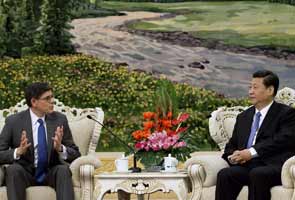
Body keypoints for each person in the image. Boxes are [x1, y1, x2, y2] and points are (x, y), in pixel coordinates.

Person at [215, 70, 295, 200]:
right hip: (247, 165)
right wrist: (234, 156)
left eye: (255, 87)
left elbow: (281, 140)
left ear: (270, 90)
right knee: (225, 174)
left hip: (274, 165)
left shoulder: (287, 114)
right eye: (250, 87)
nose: (250, 91)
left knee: (258, 174)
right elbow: (231, 144)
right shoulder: (243, 117)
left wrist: (251, 152)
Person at [0, 82, 81, 200]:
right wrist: (17, 151)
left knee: (63, 170)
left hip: (51, 173)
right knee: (13, 170)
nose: (52, 101)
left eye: (52, 97)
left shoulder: (59, 119)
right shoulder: (13, 122)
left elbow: (76, 154)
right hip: (24, 173)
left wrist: (61, 148)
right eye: (47, 98)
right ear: (34, 102)